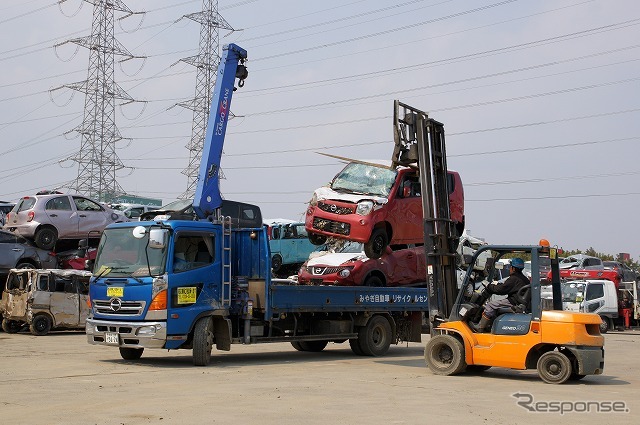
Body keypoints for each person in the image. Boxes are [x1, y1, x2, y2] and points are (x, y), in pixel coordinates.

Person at [469, 257, 530, 333]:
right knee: (496, 304)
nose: (509, 269)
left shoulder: (513, 278)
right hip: (517, 301)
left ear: (513, 268)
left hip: (513, 302)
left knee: (490, 305)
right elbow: (506, 286)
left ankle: (480, 327)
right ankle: (489, 325)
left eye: (510, 267)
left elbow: (501, 290)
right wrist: (498, 284)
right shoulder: (524, 279)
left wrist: (488, 286)